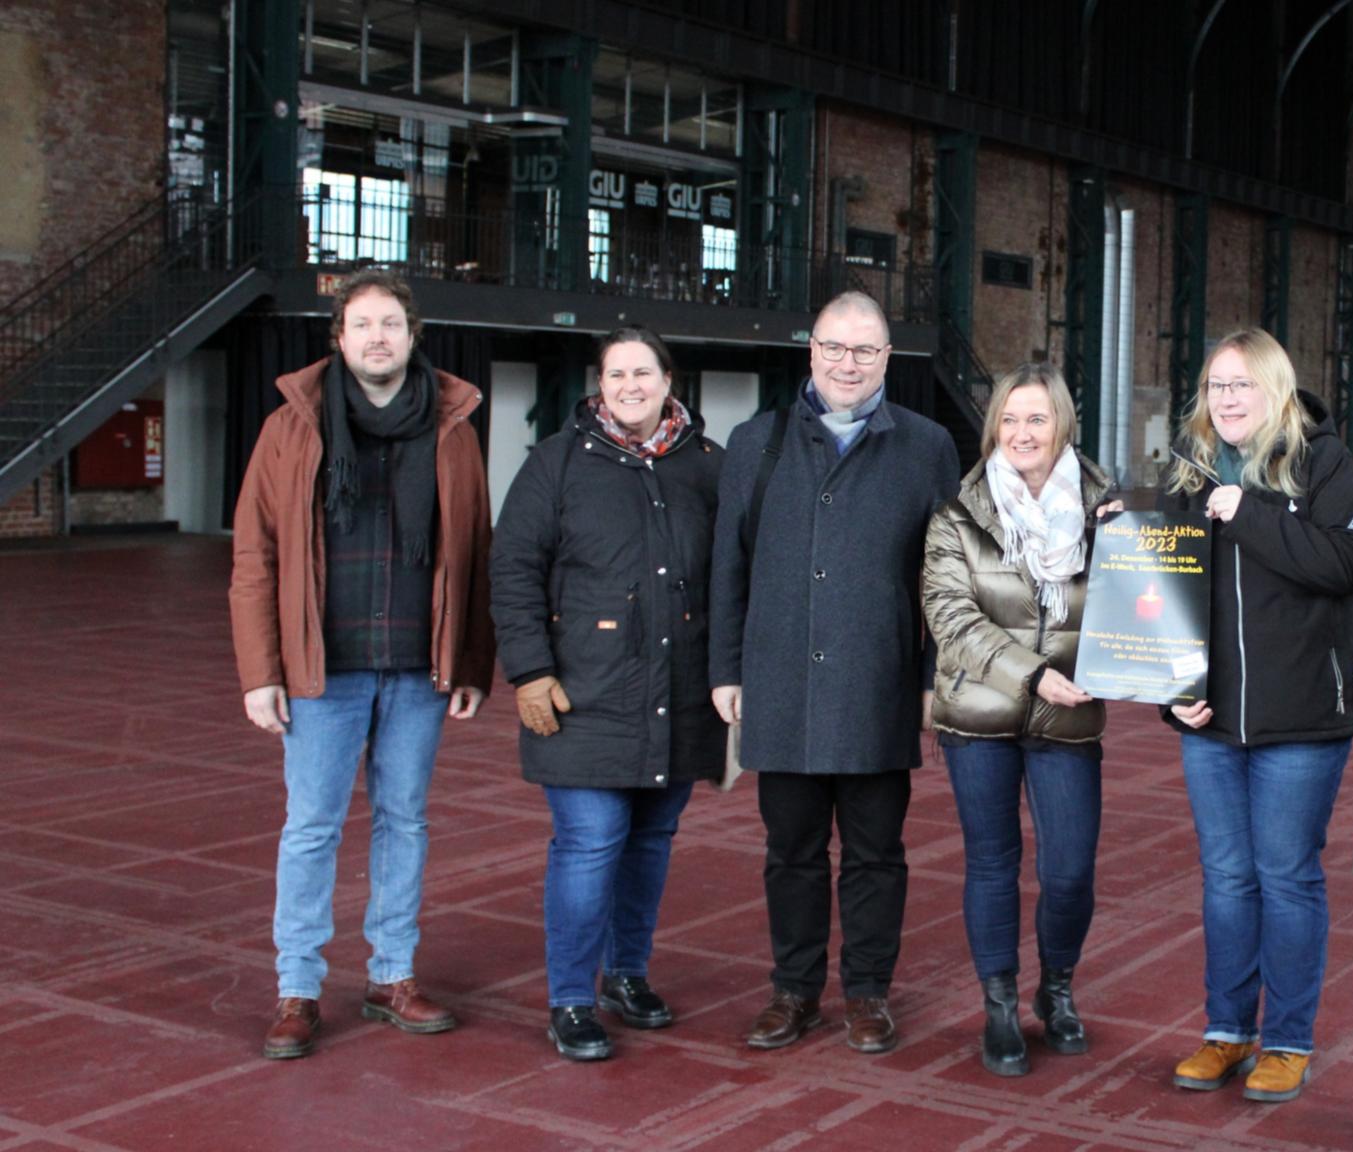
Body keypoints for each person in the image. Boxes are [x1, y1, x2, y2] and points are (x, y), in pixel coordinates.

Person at [229, 268, 494, 1059]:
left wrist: (471, 661)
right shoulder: (291, 428)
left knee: (403, 821)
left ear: (414, 337)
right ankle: (298, 989)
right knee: (310, 828)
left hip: (416, 665)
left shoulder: (452, 428)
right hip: (324, 665)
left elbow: (476, 551)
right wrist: (259, 670)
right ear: (338, 339)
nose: (378, 337)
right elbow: (256, 554)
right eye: (363, 324)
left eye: (392, 324)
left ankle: (392, 976)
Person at [709, 291, 961, 1055]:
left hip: (878, 684)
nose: (848, 363)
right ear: (809, 350)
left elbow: (945, 577)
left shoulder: (927, 446)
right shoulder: (755, 442)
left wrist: (930, 678)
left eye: (865, 351)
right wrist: (726, 667)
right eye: (834, 347)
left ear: (887, 358)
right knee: (790, 851)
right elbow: (729, 564)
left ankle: (867, 993)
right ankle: (793, 992)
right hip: (779, 681)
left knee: (876, 853)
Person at [490, 326, 726, 1062]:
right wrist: (529, 670)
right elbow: (513, 570)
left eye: (643, 372)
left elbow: (737, 580)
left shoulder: (710, 469)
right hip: (582, 697)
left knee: (651, 841)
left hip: (680, 697)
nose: (630, 385)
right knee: (590, 843)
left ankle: (627, 973)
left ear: (668, 380)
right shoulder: (555, 465)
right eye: (616, 373)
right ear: (599, 383)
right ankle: (570, 1000)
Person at [1159, 327, 1353, 1104]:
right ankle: (1226, 1032)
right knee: (1225, 879)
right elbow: (1166, 599)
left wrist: (1247, 512)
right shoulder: (1186, 476)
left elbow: (1345, 563)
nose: (1226, 400)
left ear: (1276, 390)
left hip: (1302, 720)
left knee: (1284, 879)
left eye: (1241, 385)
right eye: (1216, 386)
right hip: (1212, 726)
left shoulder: (1324, 462)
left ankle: (1285, 1041)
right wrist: (1172, 696)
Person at [922, 362, 1121, 1077]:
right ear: (992, 429)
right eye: (1009, 419)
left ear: (1063, 424)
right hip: (979, 713)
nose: (1022, 433)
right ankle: (1000, 1002)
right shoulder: (957, 516)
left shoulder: (1109, 516)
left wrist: (1129, 555)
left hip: (1070, 720)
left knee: (1068, 870)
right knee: (993, 862)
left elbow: (1137, 610)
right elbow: (950, 616)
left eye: (1037, 418)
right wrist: (1031, 673)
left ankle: (1057, 988)